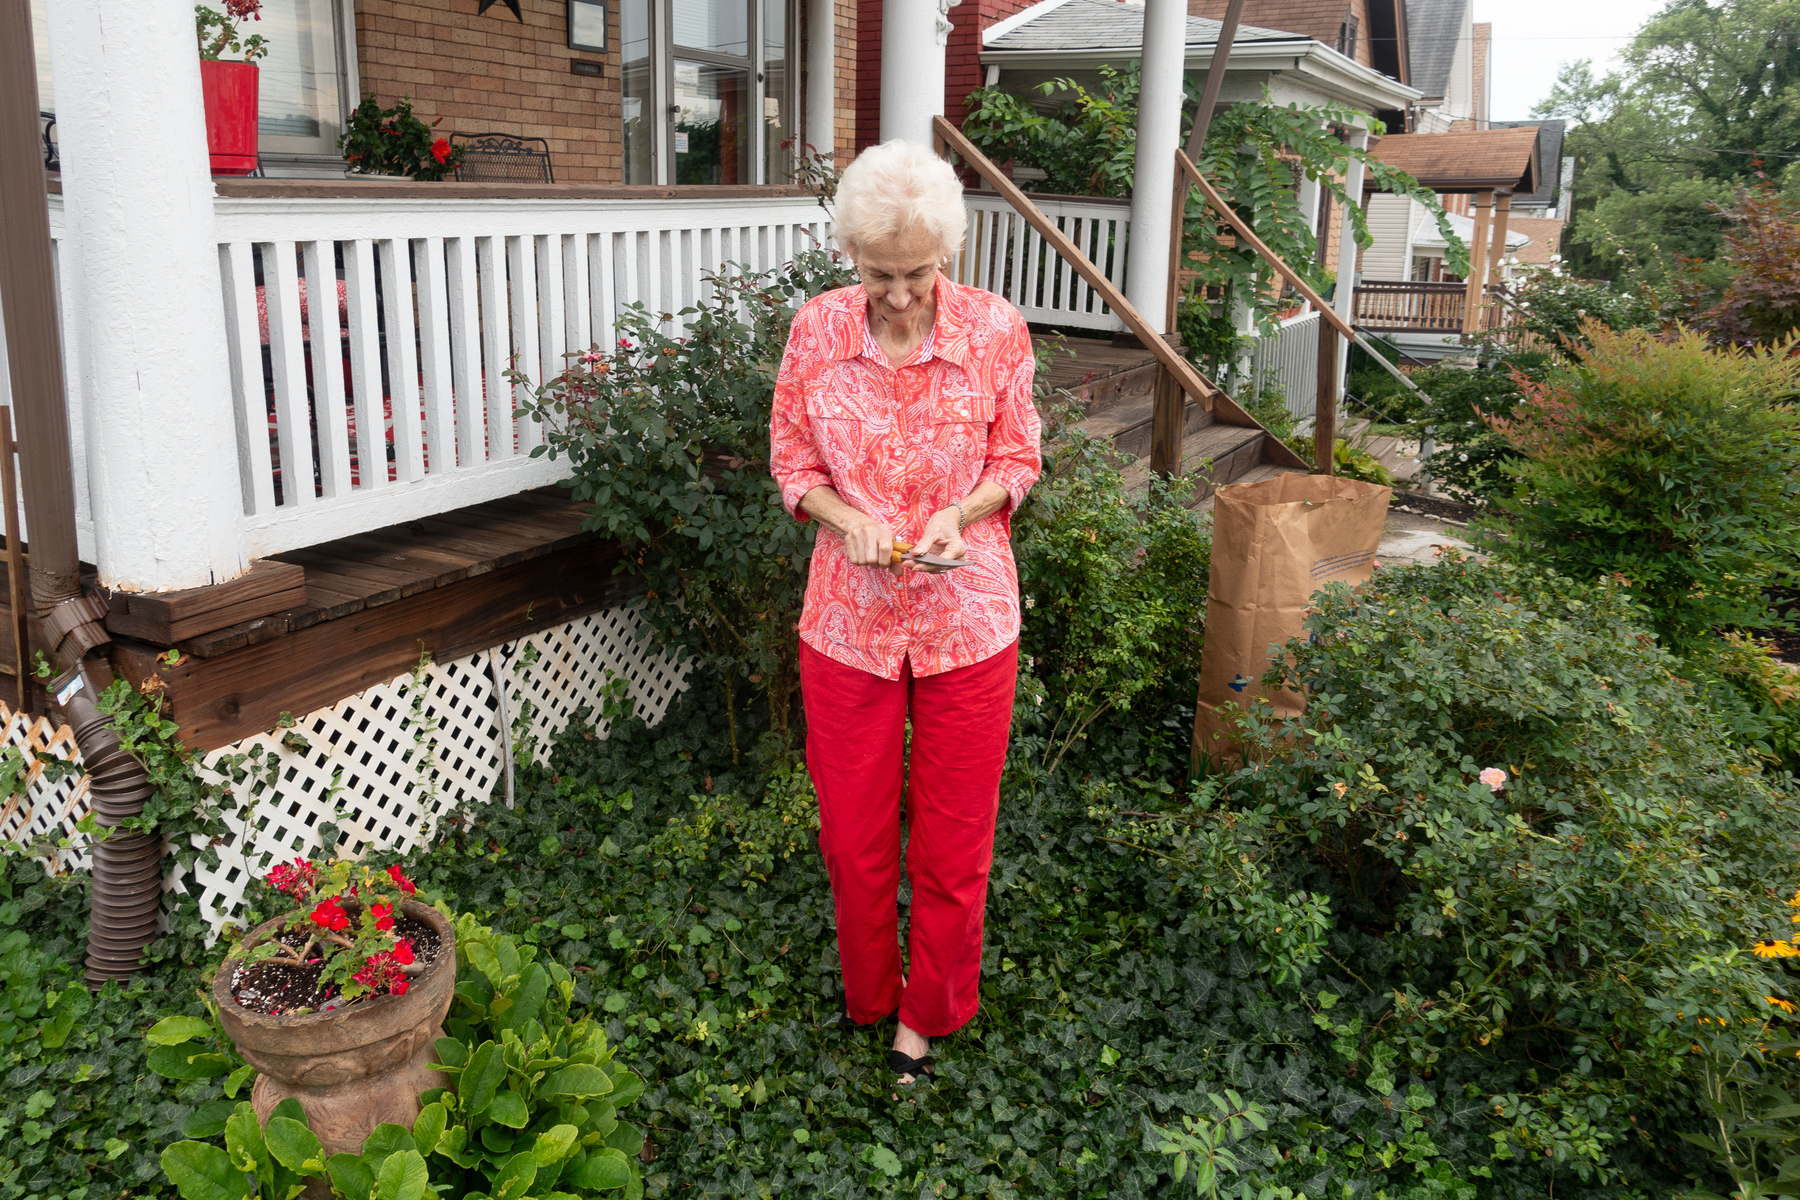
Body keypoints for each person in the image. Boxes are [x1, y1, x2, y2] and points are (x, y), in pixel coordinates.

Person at [768, 140, 1043, 1085]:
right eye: (878, 272)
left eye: (917, 272)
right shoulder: (813, 332)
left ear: (948, 255)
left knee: (955, 835)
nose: (897, 292)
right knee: (852, 836)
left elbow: (1018, 460)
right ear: (850, 255)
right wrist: (843, 518)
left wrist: (956, 513)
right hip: (846, 623)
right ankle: (869, 992)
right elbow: (793, 464)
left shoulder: (997, 332)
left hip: (969, 619)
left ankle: (925, 1018)